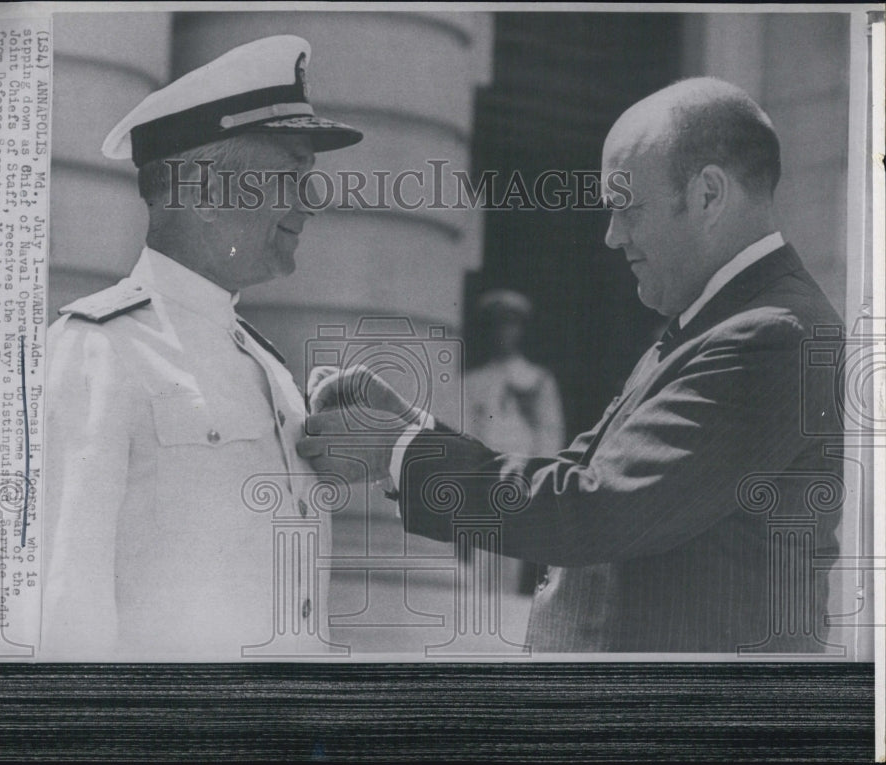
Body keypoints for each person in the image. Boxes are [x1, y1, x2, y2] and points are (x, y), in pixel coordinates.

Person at [300, 77, 844, 653]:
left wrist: (398, 449)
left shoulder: (772, 334)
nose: (612, 236)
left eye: (626, 207)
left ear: (709, 194)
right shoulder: (725, 322)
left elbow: (599, 508)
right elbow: (580, 470)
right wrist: (414, 428)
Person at [41, 36, 362, 659]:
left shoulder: (266, 365)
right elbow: (66, 601)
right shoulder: (100, 350)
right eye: (291, 176)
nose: (309, 206)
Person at [464, 289, 566, 607]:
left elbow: (550, 431)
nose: (504, 333)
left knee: (512, 556)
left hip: (520, 474)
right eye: (498, 325)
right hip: (483, 474)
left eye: (511, 325)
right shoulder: (473, 380)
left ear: (521, 330)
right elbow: (465, 429)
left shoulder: (536, 379)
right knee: (481, 558)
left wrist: (539, 475)